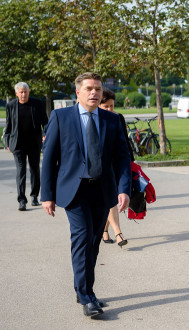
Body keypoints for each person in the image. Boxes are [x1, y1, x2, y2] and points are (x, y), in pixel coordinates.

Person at [41, 72, 131, 318]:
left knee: (93, 242)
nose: (94, 93)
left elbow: (122, 158)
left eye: (98, 89)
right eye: (89, 88)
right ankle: (86, 296)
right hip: (74, 190)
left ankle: (85, 290)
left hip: (102, 189)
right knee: (82, 239)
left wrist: (124, 189)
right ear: (78, 92)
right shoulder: (61, 117)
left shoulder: (112, 120)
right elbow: (49, 158)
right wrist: (47, 195)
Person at [4, 82, 48, 211]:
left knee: (35, 170)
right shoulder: (11, 105)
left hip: (34, 143)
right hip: (17, 144)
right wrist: (7, 142)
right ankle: (22, 200)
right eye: (21, 92)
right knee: (20, 172)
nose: (23, 94)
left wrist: (45, 133)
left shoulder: (37, 104)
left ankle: (34, 196)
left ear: (28, 92)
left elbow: (45, 121)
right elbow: (8, 125)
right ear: (16, 93)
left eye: (25, 92)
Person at [99, 88, 134, 246]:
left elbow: (125, 142)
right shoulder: (96, 119)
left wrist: (131, 162)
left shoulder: (118, 117)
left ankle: (105, 231)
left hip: (117, 163)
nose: (110, 109)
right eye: (106, 106)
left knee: (111, 197)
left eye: (112, 106)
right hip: (102, 166)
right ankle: (118, 233)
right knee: (111, 198)